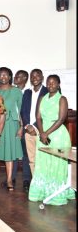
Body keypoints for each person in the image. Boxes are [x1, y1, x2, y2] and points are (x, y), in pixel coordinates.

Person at [28, 75, 75, 205]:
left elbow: (61, 119)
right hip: (43, 134)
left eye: (53, 83)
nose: (50, 85)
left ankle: (57, 194)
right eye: (48, 83)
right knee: (43, 163)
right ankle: (43, 191)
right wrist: (42, 132)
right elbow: (38, 117)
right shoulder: (42, 98)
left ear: (59, 84)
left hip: (58, 134)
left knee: (56, 163)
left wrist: (46, 133)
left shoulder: (62, 99)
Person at [16, 69, 48, 191]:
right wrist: (27, 126)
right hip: (27, 130)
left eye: (37, 75)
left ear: (42, 77)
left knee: (42, 157)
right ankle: (27, 180)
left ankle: (43, 181)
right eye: (32, 76)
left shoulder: (47, 91)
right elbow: (23, 111)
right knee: (28, 157)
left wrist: (34, 126)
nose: (35, 78)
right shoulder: (27, 93)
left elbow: (47, 113)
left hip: (43, 130)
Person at [0, 67, 23, 191]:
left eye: (6, 75)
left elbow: (20, 110)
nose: (3, 77)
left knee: (9, 153)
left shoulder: (17, 92)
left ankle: (9, 179)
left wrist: (21, 127)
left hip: (11, 124)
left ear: (10, 77)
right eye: (0, 75)